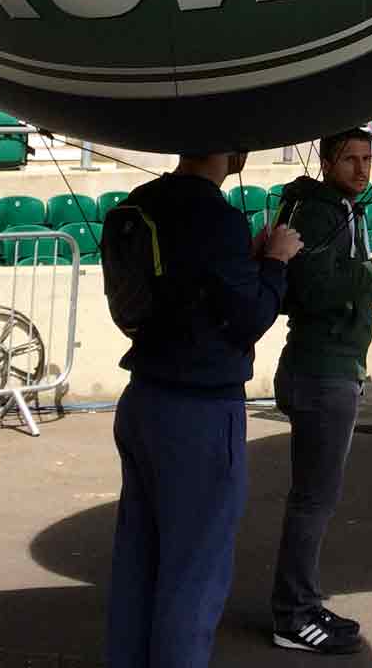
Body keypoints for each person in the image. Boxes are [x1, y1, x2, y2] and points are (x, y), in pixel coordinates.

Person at [108, 150, 302, 668]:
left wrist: (251, 263)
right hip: (201, 410)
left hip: (144, 397)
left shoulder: (142, 201)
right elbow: (251, 315)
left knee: (139, 559)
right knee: (195, 569)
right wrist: (277, 263)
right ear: (232, 150)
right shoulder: (217, 217)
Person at [269, 129, 372, 654]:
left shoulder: (339, 207)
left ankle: (303, 602)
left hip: (334, 368)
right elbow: (315, 291)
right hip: (321, 371)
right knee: (312, 500)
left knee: (317, 498)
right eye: (352, 159)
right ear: (326, 159)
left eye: (368, 159)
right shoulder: (318, 212)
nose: (363, 169)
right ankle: (292, 615)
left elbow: (349, 283)